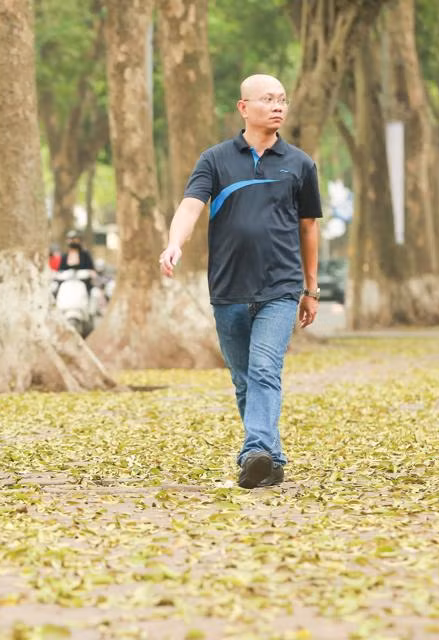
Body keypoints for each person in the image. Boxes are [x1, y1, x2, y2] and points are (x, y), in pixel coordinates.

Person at [159, 74, 322, 489]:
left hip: (280, 287)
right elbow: (191, 206)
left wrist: (311, 288)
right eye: (268, 99)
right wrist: (174, 243)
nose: (278, 106)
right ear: (243, 107)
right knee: (245, 377)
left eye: (283, 99)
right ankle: (272, 459)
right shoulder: (215, 160)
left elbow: (308, 228)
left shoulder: (300, 164)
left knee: (265, 368)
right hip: (228, 287)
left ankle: (253, 453)